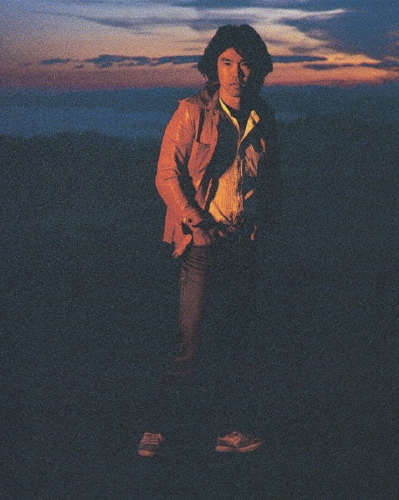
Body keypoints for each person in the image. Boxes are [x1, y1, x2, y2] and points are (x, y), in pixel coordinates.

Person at [138, 24, 279, 457]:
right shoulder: (192, 112)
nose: (236, 72)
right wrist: (197, 224)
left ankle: (227, 430)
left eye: (245, 63)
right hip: (202, 242)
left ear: (258, 69)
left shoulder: (262, 115)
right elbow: (167, 175)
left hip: (243, 241)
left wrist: (261, 223)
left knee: (235, 338)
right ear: (213, 67)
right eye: (227, 62)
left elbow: (268, 179)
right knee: (192, 339)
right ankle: (156, 427)